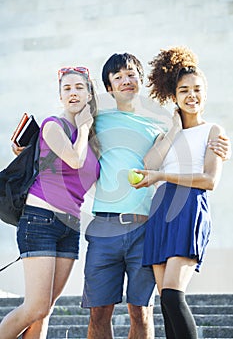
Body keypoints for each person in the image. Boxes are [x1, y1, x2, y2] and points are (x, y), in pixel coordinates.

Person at [81, 52, 230, 339]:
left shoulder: (163, 125)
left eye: (131, 74)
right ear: (109, 87)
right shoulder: (98, 119)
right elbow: (67, 134)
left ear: (141, 80)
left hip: (149, 223)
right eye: (118, 76)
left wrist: (223, 150)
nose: (126, 80)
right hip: (111, 225)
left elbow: (200, 157)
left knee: (146, 310)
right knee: (103, 313)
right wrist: (27, 150)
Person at [131, 46, 226, 339]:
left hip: (188, 208)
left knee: (173, 295)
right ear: (174, 96)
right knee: (165, 304)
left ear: (205, 94)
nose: (192, 95)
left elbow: (209, 180)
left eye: (197, 89)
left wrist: (162, 176)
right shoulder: (166, 134)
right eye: (184, 90)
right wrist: (173, 129)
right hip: (161, 212)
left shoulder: (213, 131)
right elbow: (148, 166)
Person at [0, 66, 100, 339]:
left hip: (70, 227)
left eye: (79, 87)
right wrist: (84, 127)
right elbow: (74, 160)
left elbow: (89, 178)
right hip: (40, 219)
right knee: (35, 306)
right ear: (60, 96)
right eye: (66, 89)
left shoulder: (91, 141)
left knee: (46, 310)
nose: (73, 93)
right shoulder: (53, 125)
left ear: (89, 94)